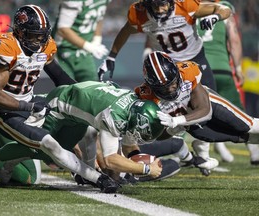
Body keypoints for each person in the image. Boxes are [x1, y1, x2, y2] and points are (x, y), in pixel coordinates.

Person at [0, 4, 120, 193]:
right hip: (6, 110)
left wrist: (93, 91)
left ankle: (83, 170)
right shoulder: (6, 46)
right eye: (34, 35)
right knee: (32, 172)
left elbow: (60, 78)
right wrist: (29, 106)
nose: (39, 40)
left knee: (81, 124)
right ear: (19, 31)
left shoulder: (46, 46)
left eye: (42, 35)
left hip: (29, 104)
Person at [0, 81, 165, 188]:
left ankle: (5, 162)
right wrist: (146, 170)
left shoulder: (132, 103)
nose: (138, 137)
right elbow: (111, 160)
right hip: (58, 108)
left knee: (87, 136)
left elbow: (101, 141)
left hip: (75, 115)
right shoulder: (114, 116)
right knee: (39, 150)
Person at [135, 51, 259, 157]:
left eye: (173, 82)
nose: (171, 88)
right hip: (191, 126)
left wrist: (176, 121)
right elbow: (157, 136)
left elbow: (206, 110)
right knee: (240, 137)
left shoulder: (187, 71)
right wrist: (173, 130)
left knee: (248, 126)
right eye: (164, 88)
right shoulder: (146, 97)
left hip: (210, 106)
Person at [98, 0, 231, 91]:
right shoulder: (139, 14)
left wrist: (215, 17)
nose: (161, 10)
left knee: (211, 98)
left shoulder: (184, 5)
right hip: (167, 66)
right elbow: (125, 31)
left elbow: (223, 8)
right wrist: (111, 56)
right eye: (156, 5)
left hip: (195, 58)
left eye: (164, 3)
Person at [196, 0, 259, 164]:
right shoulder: (223, 7)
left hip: (197, 68)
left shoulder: (190, 7)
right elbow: (234, 40)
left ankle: (199, 154)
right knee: (237, 110)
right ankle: (254, 152)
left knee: (199, 112)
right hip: (221, 67)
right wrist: (238, 68)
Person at [52, 0, 111, 82]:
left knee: (92, 88)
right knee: (67, 88)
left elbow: (99, 16)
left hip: (83, 52)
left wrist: (97, 40)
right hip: (63, 50)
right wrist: (89, 47)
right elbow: (62, 29)